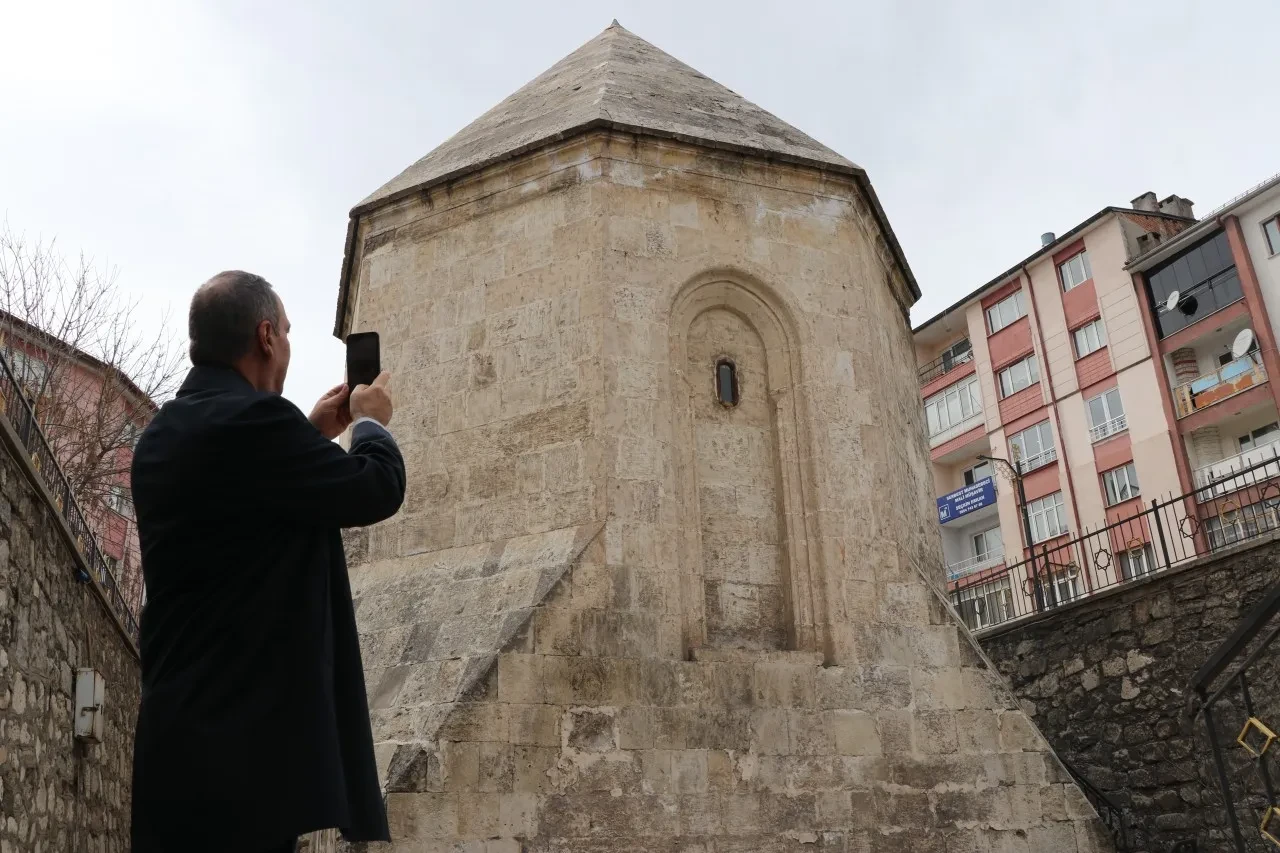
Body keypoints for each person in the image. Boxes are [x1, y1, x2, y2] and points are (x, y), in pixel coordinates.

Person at [129, 271, 405, 853]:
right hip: (245, 768)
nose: (286, 341)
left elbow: (239, 511)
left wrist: (308, 437)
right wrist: (372, 422)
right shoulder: (254, 427)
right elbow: (377, 487)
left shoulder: (161, 435)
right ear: (264, 337)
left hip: (172, 751)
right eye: (285, 329)